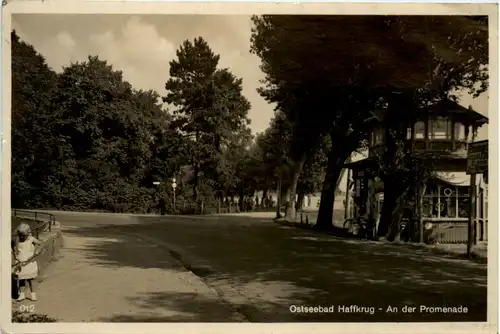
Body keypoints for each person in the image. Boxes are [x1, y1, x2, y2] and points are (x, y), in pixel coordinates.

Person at [12, 223, 42, 301]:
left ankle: (33, 294)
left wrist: (38, 250)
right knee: (21, 279)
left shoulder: (31, 239)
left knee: (30, 279)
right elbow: (13, 247)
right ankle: (22, 294)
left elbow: (41, 244)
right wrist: (15, 253)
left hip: (29, 262)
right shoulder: (17, 240)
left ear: (28, 234)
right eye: (20, 235)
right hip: (20, 262)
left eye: (23, 235)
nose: (22, 237)